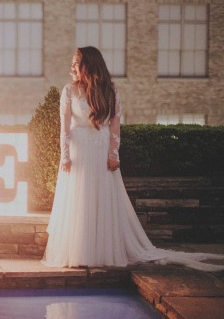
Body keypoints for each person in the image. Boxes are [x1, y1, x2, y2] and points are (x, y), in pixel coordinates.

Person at [42, 46, 224, 271]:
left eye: (75, 63)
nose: (71, 67)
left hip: (100, 152)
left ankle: (101, 253)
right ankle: (79, 253)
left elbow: (115, 124)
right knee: (80, 201)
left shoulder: (111, 90)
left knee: (101, 199)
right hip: (79, 154)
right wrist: (65, 156)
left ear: (88, 65)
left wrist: (113, 154)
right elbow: (65, 128)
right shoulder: (69, 91)